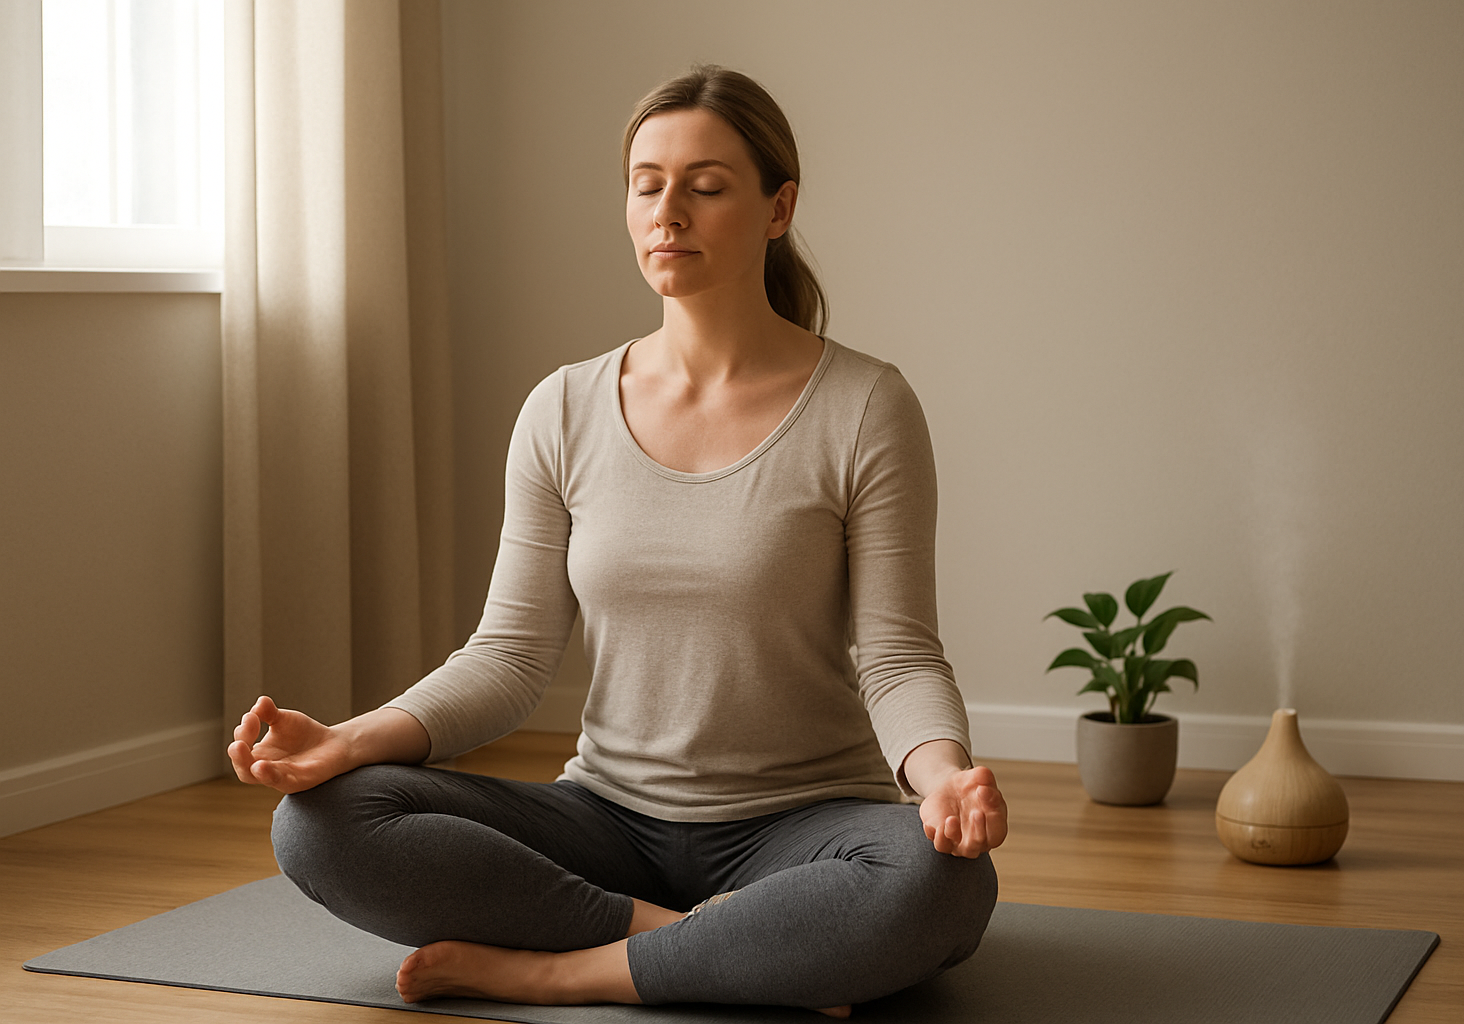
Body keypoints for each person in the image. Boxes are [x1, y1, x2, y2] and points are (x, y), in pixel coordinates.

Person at [227, 65, 1008, 1016]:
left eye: (707, 186)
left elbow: (897, 655)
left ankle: (555, 969)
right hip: (607, 820)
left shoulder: (866, 406)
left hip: (802, 826)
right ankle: (718, 945)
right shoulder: (563, 408)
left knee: (945, 884)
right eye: (647, 184)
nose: (667, 211)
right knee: (321, 823)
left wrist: (943, 779)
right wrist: (349, 740)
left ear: (778, 207)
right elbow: (508, 659)